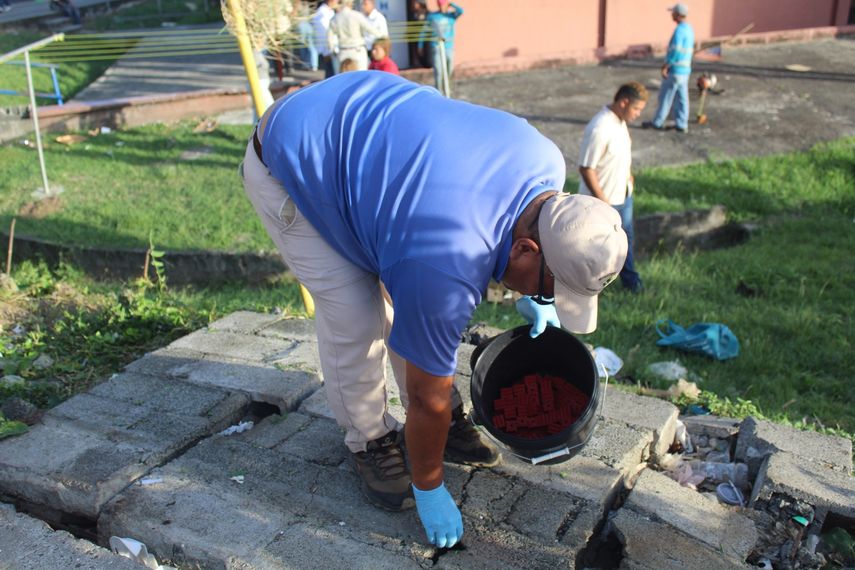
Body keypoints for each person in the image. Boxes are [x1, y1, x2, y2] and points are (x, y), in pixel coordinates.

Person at [240, 72, 628, 548]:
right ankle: (370, 440)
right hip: (297, 158)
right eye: (551, 287)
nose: (550, 298)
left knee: (415, 308)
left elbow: (492, 242)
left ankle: (433, 432)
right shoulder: (444, 261)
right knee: (358, 315)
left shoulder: (545, 162)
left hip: (371, 136)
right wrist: (429, 485)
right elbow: (427, 398)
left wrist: (533, 292)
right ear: (527, 248)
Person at [578, 82, 648, 293]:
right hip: (602, 202)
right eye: (636, 109)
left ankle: (631, 284)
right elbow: (586, 168)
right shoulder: (600, 128)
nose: (637, 114)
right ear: (623, 102)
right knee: (596, 248)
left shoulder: (620, 122)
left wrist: (628, 177)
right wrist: (603, 201)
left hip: (623, 196)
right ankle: (586, 290)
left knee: (625, 243)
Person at [643, 3, 694, 133]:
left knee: (665, 96)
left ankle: (657, 122)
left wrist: (666, 65)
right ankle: (682, 124)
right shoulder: (689, 29)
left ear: (677, 15)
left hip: (676, 70)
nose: (671, 15)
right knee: (682, 98)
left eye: (673, 13)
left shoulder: (679, 31)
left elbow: (675, 51)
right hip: (685, 70)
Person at [418, 0, 463, 93]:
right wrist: (420, 45)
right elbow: (424, 31)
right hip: (436, 47)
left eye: (443, 5)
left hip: (448, 47)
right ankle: (439, 91)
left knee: (449, 68)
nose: (442, 7)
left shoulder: (451, 16)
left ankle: (447, 86)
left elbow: (461, 11)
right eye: (440, 5)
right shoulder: (432, 16)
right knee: (438, 70)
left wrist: (452, 4)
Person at [328, 0, 383, 72]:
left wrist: (333, 51)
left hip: (343, 51)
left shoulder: (334, 18)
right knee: (361, 76)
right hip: (358, 50)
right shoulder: (357, 15)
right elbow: (370, 29)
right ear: (350, 3)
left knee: (343, 78)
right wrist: (382, 36)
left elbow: (329, 38)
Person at [312, 0, 340, 78]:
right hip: (328, 50)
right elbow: (323, 34)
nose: (338, 2)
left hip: (332, 49)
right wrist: (326, 52)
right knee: (331, 76)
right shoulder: (321, 13)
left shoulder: (330, 12)